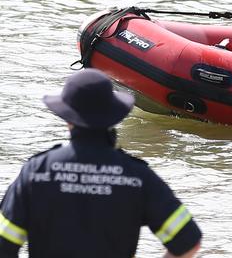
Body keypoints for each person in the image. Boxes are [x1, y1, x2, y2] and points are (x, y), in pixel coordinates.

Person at [0, 69, 202, 258]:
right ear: (113, 115)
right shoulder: (137, 177)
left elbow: (4, 245)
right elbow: (188, 241)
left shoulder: (36, 172)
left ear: (68, 117)